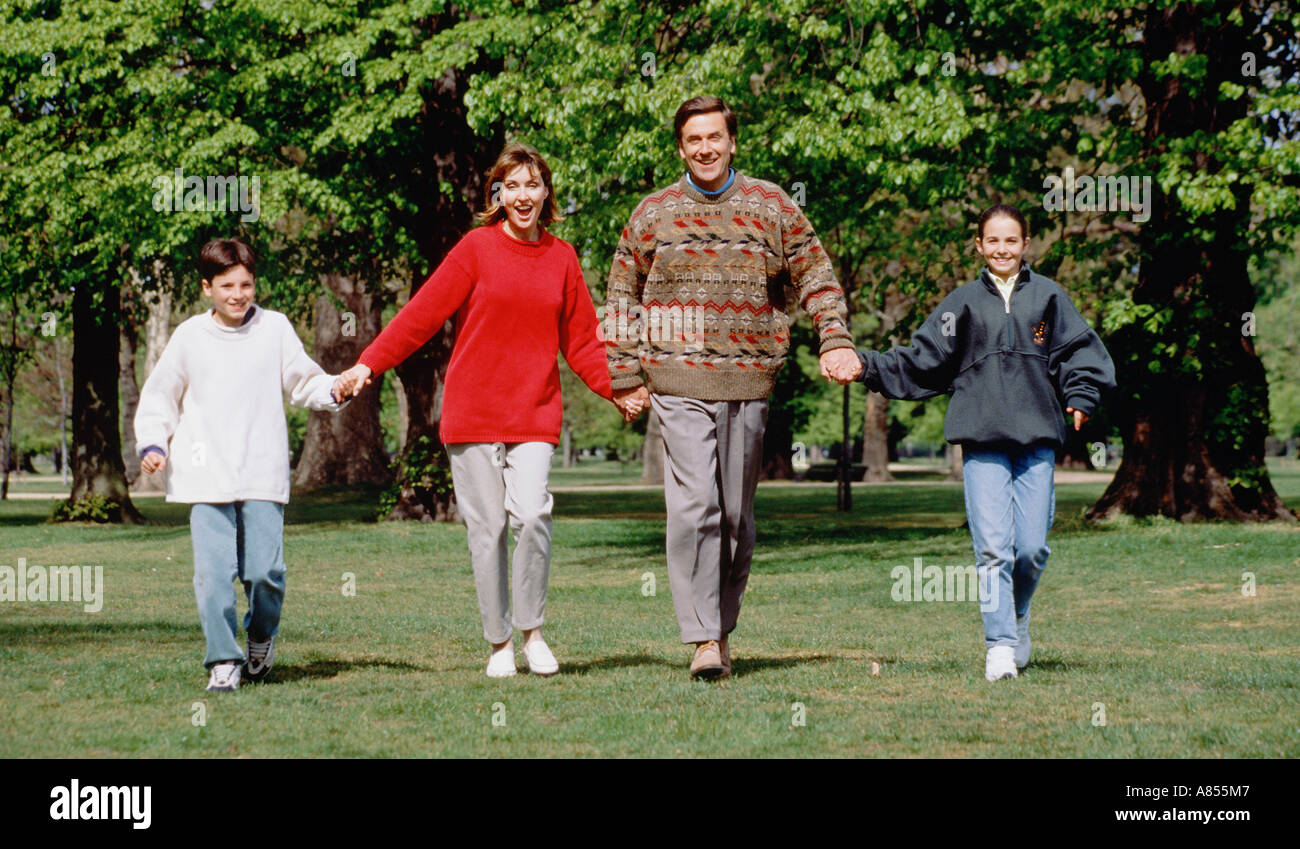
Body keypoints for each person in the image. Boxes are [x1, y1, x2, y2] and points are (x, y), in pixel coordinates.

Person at [335, 143, 622, 678]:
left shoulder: (562, 258)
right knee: (487, 529)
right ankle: (498, 644)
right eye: (510, 186)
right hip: (471, 413)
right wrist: (367, 366)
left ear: (546, 193)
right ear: (498, 194)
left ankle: (533, 632)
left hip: (534, 412)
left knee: (533, 514)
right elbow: (421, 315)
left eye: (531, 185)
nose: (521, 195)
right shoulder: (476, 249)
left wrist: (619, 391)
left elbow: (582, 341)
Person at [604, 95, 861, 680]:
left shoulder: (771, 205)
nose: (704, 148)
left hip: (749, 378)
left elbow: (815, 273)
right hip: (676, 377)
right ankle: (701, 640)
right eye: (693, 139)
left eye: (714, 137)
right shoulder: (652, 213)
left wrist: (835, 337)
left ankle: (719, 630)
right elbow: (621, 296)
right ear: (680, 147)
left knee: (737, 519)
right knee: (697, 507)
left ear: (731, 141)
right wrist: (624, 376)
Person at [856, 203, 1116, 681]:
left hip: (1037, 438)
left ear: (1026, 245)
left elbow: (1079, 353)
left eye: (1011, 240)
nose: (1002, 249)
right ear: (979, 245)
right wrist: (867, 366)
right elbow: (922, 359)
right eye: (992, 241)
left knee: (1032, 550)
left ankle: (1017, 617)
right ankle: (999, 645)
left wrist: (1081, 395)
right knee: (993, 549)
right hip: (982, 442)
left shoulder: (1049, 298)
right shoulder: (962, 304)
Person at [135, 238, 348, 691]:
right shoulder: (190, 336)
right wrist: (153, 441)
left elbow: (303, 381)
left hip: (261, 473)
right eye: (227, 285)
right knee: (213, 576)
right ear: (206, 288)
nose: (238, 294)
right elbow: (160, 394)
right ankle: (223, 661)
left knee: (264, 573)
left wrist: (333, 389)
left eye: (246, 284)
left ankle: (261, 637)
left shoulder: (275, 329)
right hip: (205, 476)